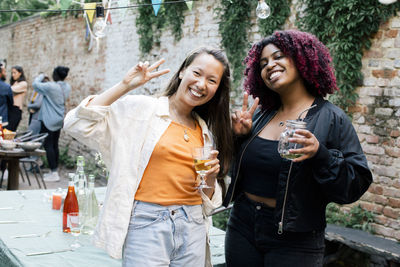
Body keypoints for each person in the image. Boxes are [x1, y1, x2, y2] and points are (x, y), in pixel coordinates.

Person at [63, 47, 233, 266]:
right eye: (197, 73)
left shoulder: (204, 131)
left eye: (212, 80)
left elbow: (208, 201)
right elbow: (77, 124)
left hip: (193, 225)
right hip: (147, 223)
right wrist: (125, 86)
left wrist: (210, 178)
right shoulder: (142, 110)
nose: (201, 84)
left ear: (217, 89)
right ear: (182, 71)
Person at [223, 30, 373, 267]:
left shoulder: (332, 118)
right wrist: (238, 137)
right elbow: (239, 168)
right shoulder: (260, 115)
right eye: (263, 63)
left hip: (295, 239)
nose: (270, 65)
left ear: (302, 59)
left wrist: (320, 154)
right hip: (242, 225)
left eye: (278, 56)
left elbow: (355, 184)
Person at [32, 66, 71, 182]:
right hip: (58, 119)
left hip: (48, 120)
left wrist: (42, 76)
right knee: (55, 145)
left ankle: (54, 173)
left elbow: (35, 85)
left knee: (48, 145)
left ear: (56, 75)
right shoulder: (67, 87)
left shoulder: (50, 86)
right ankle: (54, 171)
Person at [8, 66, 28, 131]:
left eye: (15, 73)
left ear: (20, 73)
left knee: (10, 131)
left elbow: (11, 89)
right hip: (10, 109)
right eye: (12, 73)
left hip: (16, 110)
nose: (13, 75)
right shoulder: (14, 83)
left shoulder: (23, 84)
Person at [0, 63, 14, 128]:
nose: (6, 74)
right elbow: (11, 103)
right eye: (4, 72)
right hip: (2, 120)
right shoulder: (6, 87)